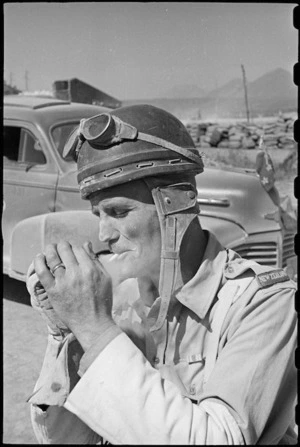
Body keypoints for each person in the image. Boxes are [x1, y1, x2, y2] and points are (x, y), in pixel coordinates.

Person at [26, 105, 297, 445]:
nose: (104, 234)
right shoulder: (114, 298)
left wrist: (95, 329)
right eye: (99, 215)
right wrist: (67, 332)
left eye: (118, 212)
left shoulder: (264, 303)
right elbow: (60, 439)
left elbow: (220, 439)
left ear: (176, 203)